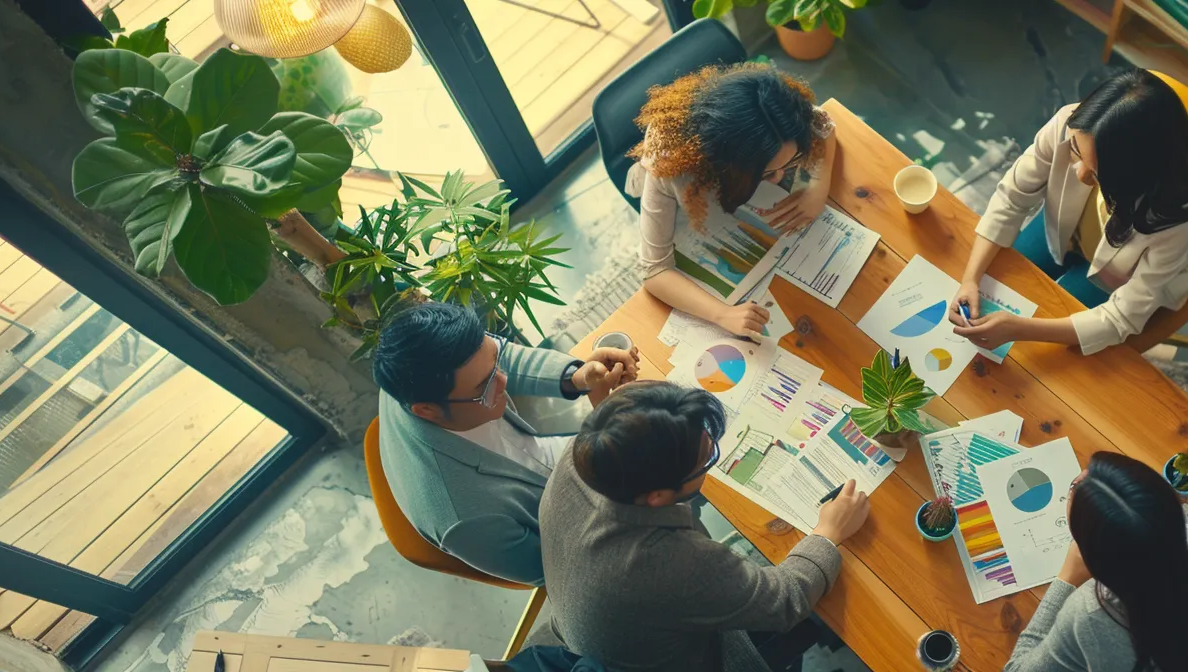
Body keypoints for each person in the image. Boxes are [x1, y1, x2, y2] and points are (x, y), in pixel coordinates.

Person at [538, 381, 872, 671]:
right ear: (656, 496)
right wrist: (827, 534)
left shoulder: (586, 453)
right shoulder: (667, 562)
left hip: (592, 632)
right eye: (705, 461)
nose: (711, 454)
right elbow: (785, 600)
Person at [951, 69, 1188, 355]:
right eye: (1076, 151)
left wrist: (1020, 328)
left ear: (1137, 177)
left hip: (1118, 275)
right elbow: (1012, 197)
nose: (1079, 175)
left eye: (1100, 174)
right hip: (1061, 228)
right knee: (999, 282)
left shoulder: (1177, 223)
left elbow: (1120, 317)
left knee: (1042, 342)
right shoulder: (1071, 123)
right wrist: (970, 279)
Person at [373, 303, 640, 586]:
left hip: (552, 460)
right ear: (427, 411)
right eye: (486, 387)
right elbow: (567, 571)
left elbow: (498, 357)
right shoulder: (468, 521)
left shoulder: (414, 367)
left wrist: (578, 378)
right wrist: (608, 442)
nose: (504, 379)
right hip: (575, 521)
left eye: (495, 362)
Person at [627, 63, 838, 337]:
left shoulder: (779, 120)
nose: (777, 179)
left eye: (789, 164)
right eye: (764, 173)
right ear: (725, 162)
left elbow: (825, 125)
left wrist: (818, 188)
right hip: (680, 210)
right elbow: (654, 270)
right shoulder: (668, 164)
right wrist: (723, 314)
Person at [1004, 452, 1188, 672]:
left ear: (1095, 561)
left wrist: (1066, 577)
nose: (1079, 481)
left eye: (1075, 490)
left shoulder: (1091, 614)